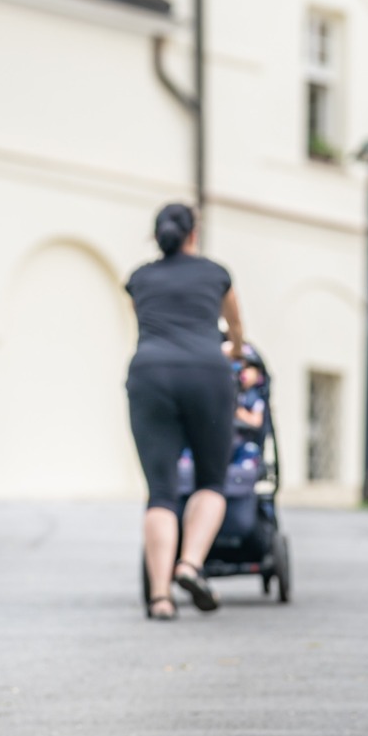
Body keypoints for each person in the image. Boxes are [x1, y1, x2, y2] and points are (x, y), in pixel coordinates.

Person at [124, 203, 246, 620]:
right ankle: (190, 564)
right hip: (208, 376)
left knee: (160, 490)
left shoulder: (139, 278)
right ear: (193, 234)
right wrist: (236, 353)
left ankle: (160, 597)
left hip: (150, 375)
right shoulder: (216, 273)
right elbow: (236, 334)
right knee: (212, 481)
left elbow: (142, 325)